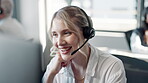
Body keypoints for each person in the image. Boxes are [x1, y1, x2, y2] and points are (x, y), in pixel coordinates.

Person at [42, 6, 126, 83]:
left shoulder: (112, 66)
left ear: (86, 34)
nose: (59, 42)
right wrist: (52, 74)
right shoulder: (54, 65)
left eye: (67, 33)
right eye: (55, 34)